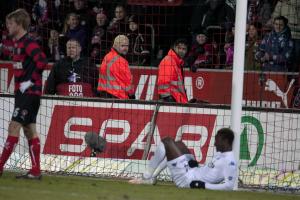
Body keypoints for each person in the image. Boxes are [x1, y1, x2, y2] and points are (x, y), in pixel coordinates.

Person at [0, 9, 47, 179]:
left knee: (14, 126)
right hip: (23, 93)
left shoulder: (28, 42)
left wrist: (31, 81)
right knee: (29, 130)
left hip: (29, 93)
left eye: (10, 24)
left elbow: (42, 61)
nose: (8, 27)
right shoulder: (16, 43)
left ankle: (0, 166)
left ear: (19, 24)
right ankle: (35, 171)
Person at [129, 128, 237, 190]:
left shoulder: (230, 162)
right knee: (179, 144)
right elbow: (210, 172)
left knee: (166, 142)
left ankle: (146, 177)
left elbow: (228, 186)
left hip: (187, 181)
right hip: (193, 172)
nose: (214, 143)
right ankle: (152, 178)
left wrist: (203, 185)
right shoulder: (221, 154)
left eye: (217, 140)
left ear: (225, 141)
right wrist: (196, 166)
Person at [97, 34, 135, 99]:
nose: (125, 48)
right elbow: (128, 82)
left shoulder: (107, 56)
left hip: (104, 95)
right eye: (122, 46)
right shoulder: (122, 61)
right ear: (115, 45)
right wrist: (132, 95)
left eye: (127, 46)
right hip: (118, 97)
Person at [157, 39, 188, 103]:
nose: (181, 51)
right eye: (179, 48)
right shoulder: (169, 61)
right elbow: (164, 84)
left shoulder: (177, 63)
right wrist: (169, 98)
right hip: (171, 101)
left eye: (184, 49)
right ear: (174, 47)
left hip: (177, 100)